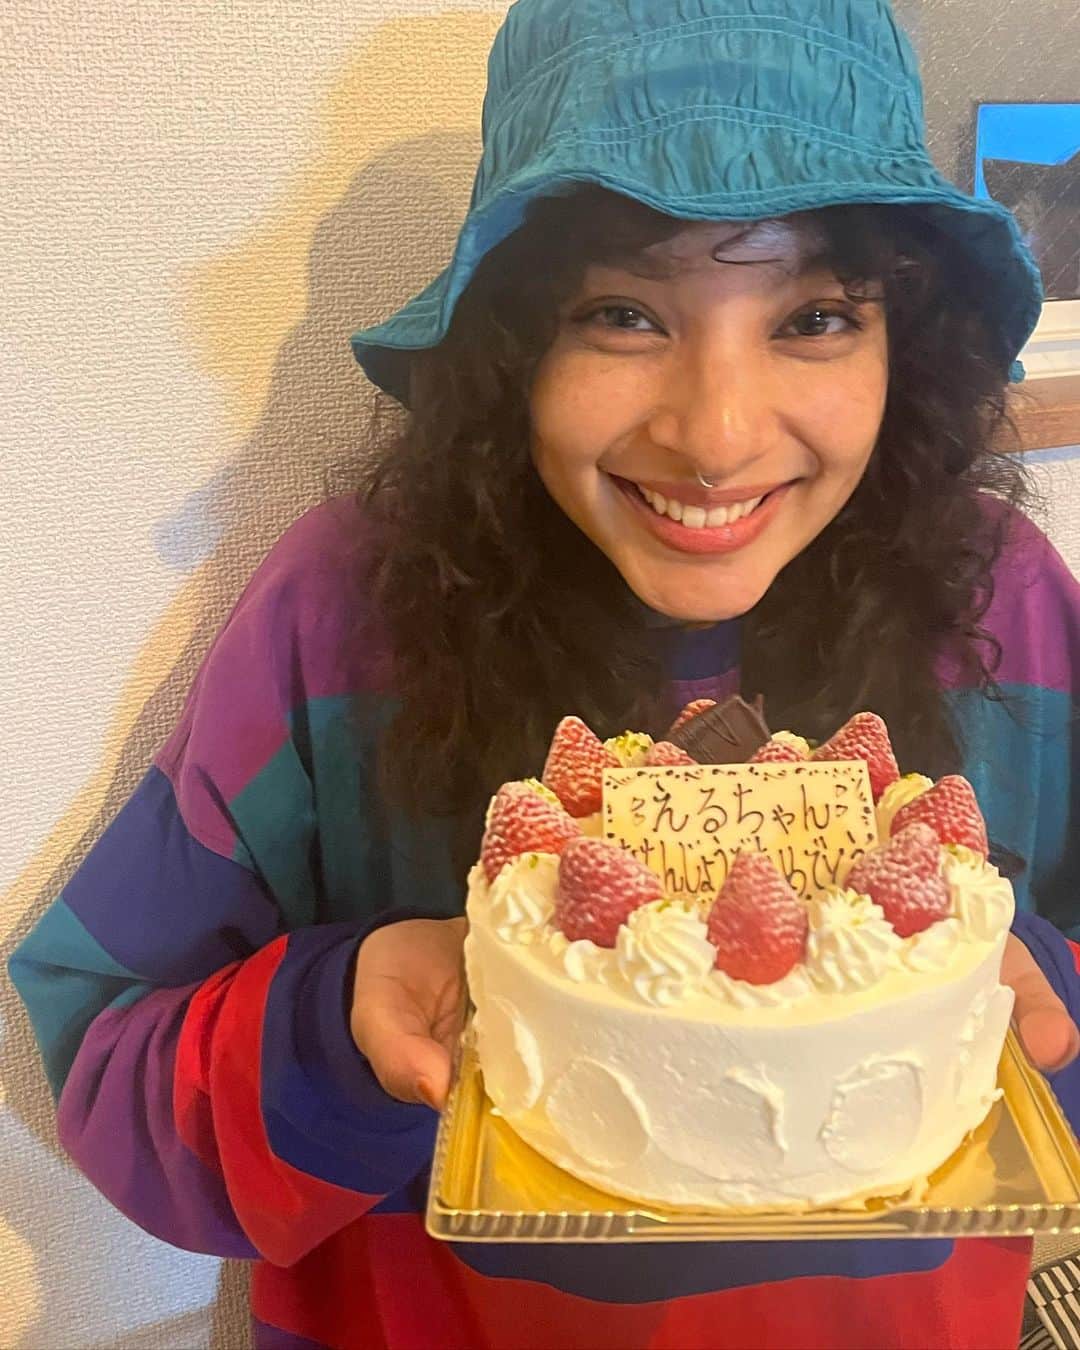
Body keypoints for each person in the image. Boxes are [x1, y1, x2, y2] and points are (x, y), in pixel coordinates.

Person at [10, 0, 1080, 1346]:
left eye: (813, 315)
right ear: (513, 340)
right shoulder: (348, 612)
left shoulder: (999, 599)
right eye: (624, 314)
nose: (716, 434)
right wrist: (332, 1028)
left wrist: (993, 984)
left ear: (903, 345)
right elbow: (111, 1065)